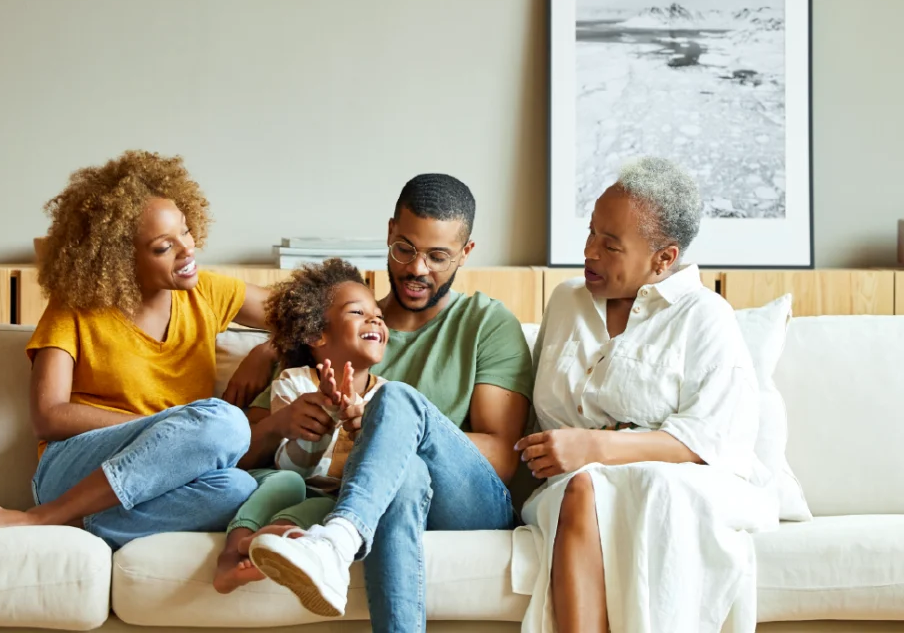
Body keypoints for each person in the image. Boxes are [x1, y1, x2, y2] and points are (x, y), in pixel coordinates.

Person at [230, 174, 534, 628]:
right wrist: (273, 354)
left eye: (438, 256)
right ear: (390, 232)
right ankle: (343, 543)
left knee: (395, 402)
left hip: (468, 501)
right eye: (405, 249)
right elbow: (242, 456)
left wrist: (388, 435)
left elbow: (501, 458)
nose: (417, 269)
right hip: (397, 496)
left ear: (465, 254)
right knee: (403, 475)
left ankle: (337, 539)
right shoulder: (335, 327)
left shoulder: (486, 323)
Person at [0, 150, 272, 550]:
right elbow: (49, 415)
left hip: (161, 476)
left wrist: (268, 349)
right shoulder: (76, 307)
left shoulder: (208, 292)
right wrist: (166, 428)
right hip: (75, 466)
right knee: (226, 424)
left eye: (186, 232)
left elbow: (309, 315)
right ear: (120, 259)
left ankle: (82, 521)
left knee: (238, 488)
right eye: (163, 247)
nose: (187, 250)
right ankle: (41, 515)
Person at [516, 157, 778, 633]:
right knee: (581, 487)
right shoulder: (566, 301)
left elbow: (714, 441)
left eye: (610, 245)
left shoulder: (705, 316)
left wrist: (595, 447)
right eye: (591, 231)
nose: (589, 251)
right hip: (566, 486)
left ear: (664, 258)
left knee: (599, 485)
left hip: (680, 482)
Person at [214, 259, 388, 594]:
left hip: (329, 494)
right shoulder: (294, 384)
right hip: (284, 478)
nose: (375, 319)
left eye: (378, 315)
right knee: (288, 483)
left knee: (327, 506)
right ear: (315, 334)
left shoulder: (386, 399)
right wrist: (324, 419)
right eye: (357, 313)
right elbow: (293, 465)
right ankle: (229, 557)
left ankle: (269, 540)